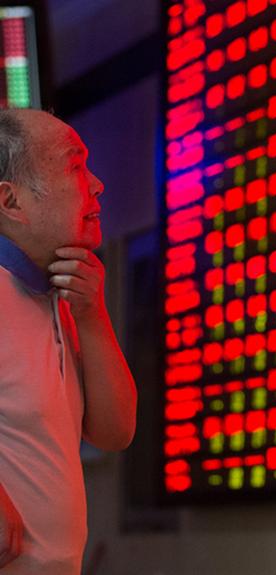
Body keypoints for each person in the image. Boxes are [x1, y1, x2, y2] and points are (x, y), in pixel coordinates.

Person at [0, 108, 137, 574]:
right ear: (11, 201)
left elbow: (115, 431)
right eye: (74, 166)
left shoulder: (62, 298)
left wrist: (93, 315)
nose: (97, 185)